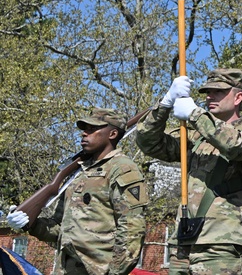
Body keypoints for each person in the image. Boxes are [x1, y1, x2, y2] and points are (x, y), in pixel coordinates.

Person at [136, 68, 242, 275]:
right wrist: (164, 104)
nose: (210, 96)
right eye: (208, 92)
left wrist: (194, 113)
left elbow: (233, 145)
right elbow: (149, 142)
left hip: (220, 244)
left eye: (218, 91)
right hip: (184, 241)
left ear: (238, 97)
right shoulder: (196, 137)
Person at [6, 108, 148, 275]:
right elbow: (59, 229)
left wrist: (115, 272)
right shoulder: (78, 174)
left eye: (92, 129)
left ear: (113, 134)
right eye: (84, 129)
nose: (84, 134)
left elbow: (132, 230)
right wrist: (31, 224)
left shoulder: (122, 169)